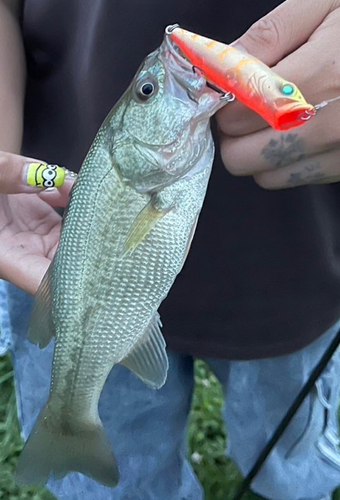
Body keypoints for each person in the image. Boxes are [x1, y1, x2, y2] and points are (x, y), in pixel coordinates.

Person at [0, 0, 340, 499]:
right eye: (149, 90)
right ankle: (71, 426)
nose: (167, 71)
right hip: (42, 230)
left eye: (147, 89)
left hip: (297, 258)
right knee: (124, 479)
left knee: (291, 449)